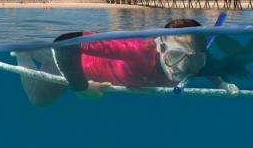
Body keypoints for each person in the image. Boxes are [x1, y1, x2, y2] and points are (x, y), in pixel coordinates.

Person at [52, 18, 239, 95]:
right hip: (74, 66)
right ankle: (24, 56)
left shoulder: (196, 61)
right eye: (175, 57)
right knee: (40, 101)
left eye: (197, 60)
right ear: (160, 45)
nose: (184, 70)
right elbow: (64, 42)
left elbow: (202, 67)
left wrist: (221, 84)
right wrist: (81, 88)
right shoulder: (135, 50)